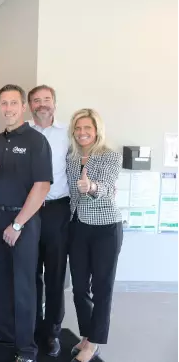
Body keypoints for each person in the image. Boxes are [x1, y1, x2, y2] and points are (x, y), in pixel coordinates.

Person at [0, 84, 52, 362]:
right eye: (4, 103)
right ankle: (3, 332)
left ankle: (26, 348)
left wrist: (17, 225)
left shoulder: (36, 141)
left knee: (23, 285)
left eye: (13, 103)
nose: (8, 108)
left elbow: (42, 186)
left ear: (23, 107)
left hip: (23, 221)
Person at [66, 109, 122, 362]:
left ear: (97, 130)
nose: (82, 133)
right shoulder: (71, 157)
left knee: (102, 287)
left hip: (105, 228)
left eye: (87, 127)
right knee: (79, 287)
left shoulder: (110, 156)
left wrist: (91, 187)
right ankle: (87, 335)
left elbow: (108, 187)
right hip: (77, 226)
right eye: (78, 128)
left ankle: (94, 343)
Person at [27, 85, 70, 357]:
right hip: (29, 210)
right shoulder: (23, 132)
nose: (42, 104)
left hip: (57, 210)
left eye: (46, 99)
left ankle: (52, 331)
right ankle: (31, 327)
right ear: (30, 105)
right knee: (30, 273)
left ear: (54, 102)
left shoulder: (68, 133)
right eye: (36, 100)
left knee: (55, 274)